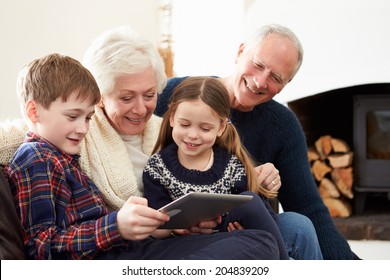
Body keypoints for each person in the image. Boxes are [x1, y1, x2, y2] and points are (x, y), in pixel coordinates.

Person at [0, 25, 319, 259]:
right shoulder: (63, 142)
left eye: (150, 95)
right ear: (101, 97)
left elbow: (212, 168)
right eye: (126, 97)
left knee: (284, 220)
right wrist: (118, 226)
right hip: (126, 252)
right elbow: (42, 243)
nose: (141, 108)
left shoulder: (161, 129)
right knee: (266, 244)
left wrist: (226, 198)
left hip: (159, 238)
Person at [154, 24, 359, 260]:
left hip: (249, 231)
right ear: (240, 52)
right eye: (258, 65)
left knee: (299, 225)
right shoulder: (174, 94)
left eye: (275, 77)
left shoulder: (282, 125)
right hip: (183, 234)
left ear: (287, 84)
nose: (260, 82)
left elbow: (309, 206)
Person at [144, 76, 292, 259]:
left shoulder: (231, 166)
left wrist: (244, 229)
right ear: (172, 118)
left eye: (205, 129)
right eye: (185, 124)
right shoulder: (157, 167)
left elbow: (261, 214)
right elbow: (156, 229)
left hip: (229, 241)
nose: (192, 135)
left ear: (221, 127)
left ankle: (285, 267)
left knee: (251, 201)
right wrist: (178, 229)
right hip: (184, 246)